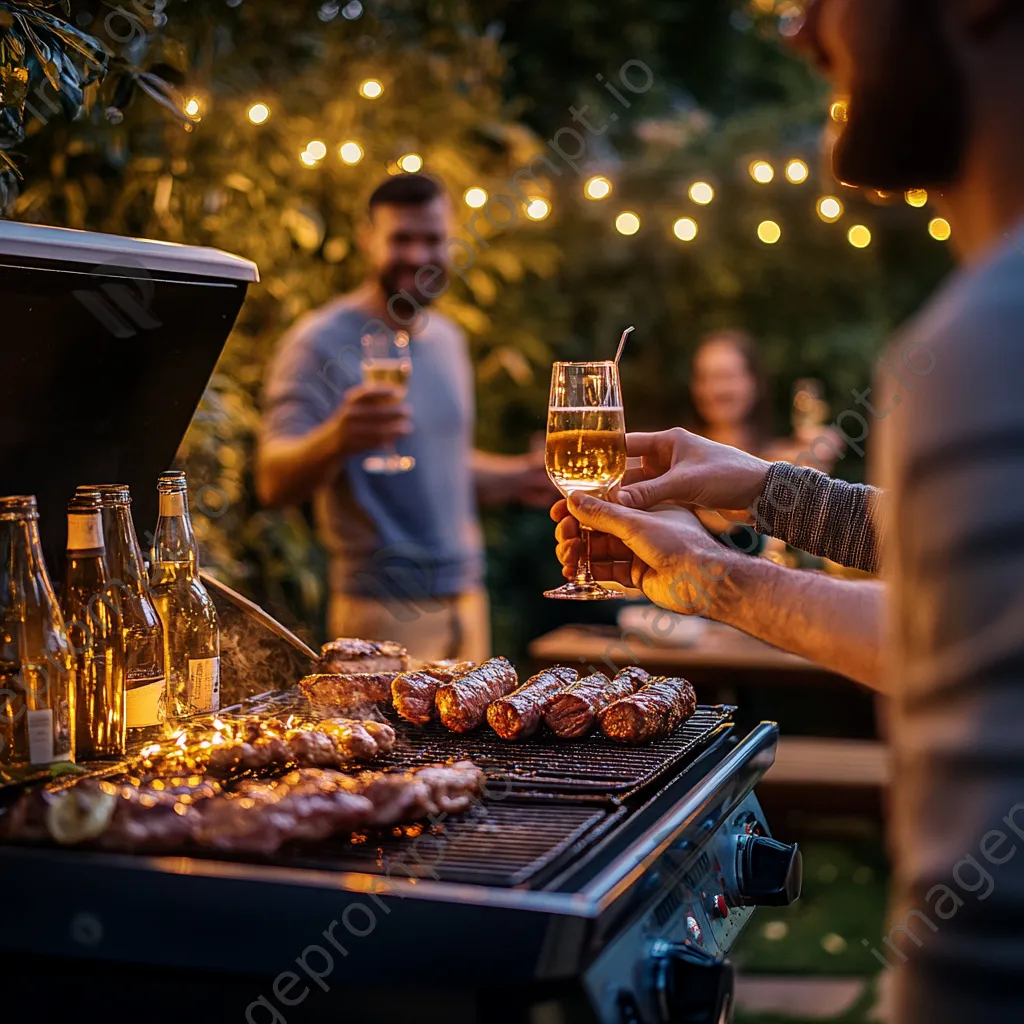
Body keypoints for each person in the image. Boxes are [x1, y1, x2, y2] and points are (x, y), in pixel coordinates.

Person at [553, 2, 1024, 1021]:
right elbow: (967, 622)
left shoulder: (990, 342)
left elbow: (990, 937)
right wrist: (762, 499)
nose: (800, 34)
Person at [257, 173, 550, 662]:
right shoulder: (318, 341)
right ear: (367, 239)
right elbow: (271, 480)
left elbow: (441, 463)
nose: (417, 256)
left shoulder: (448, 339)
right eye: (401, 239)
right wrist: (337, 439)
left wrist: (521, 475)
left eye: (431, 239)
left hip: (467, 599)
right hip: (379, 610)